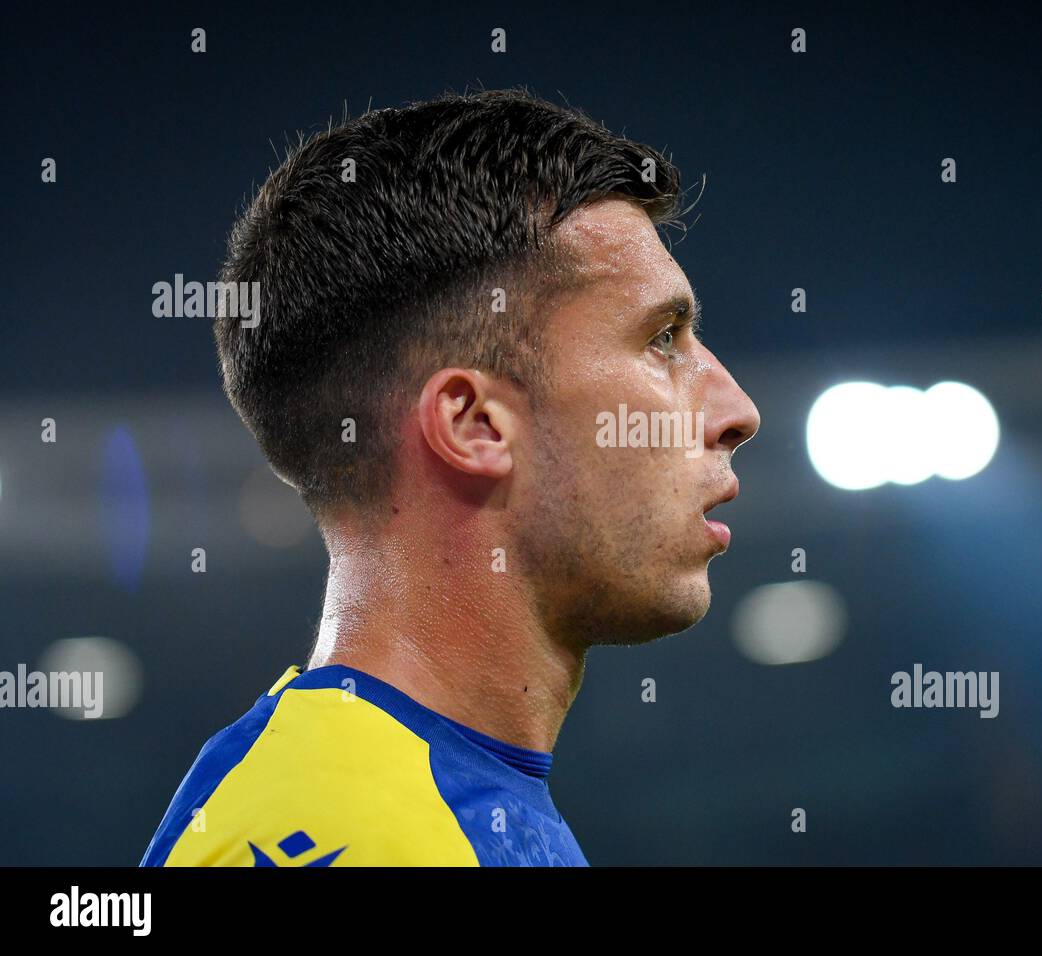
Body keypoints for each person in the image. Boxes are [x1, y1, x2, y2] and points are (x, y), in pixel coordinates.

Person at [141, 87, 760, 866]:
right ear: (473, 425)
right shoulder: (355, 838)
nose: (738, 410)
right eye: (663, 339)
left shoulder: (398, 798)